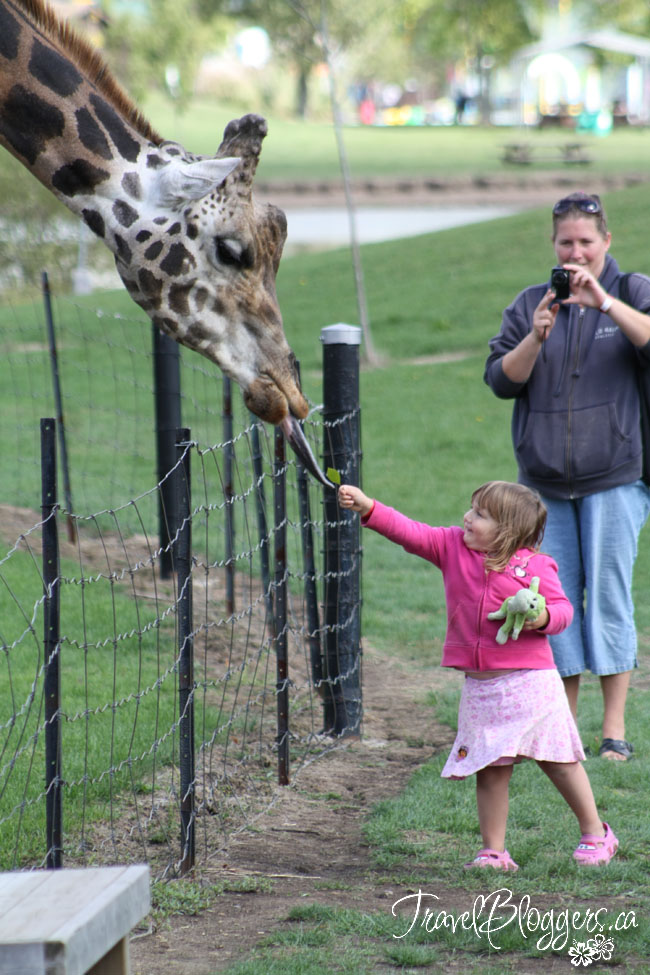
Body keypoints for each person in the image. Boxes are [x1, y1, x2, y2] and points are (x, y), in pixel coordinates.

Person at [338, 479, 618, 870]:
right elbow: (410, 531)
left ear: (507, 531)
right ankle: (494, 852)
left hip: (532, 683)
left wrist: (541, 618)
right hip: (482, 689)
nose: (467, 518)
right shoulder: (452, 547)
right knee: (490, 769)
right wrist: (369, 507)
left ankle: (596, 834)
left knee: (558, 761)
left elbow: (563, 611)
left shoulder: (535, 566)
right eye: (471, 509)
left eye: (480, 514)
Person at [484, 192, 650, 763]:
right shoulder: (532, 303)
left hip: (616, 477)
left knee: (607, 598)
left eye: (586, 241)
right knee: (548, 603)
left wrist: (604, 303)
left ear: (607, 242)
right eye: (565, 243)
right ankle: (562, 726)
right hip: (543, 488)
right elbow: (501, 382)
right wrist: (536, 335)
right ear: (553, 247)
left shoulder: (631, 293)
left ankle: (614, 730)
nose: (576, 252)